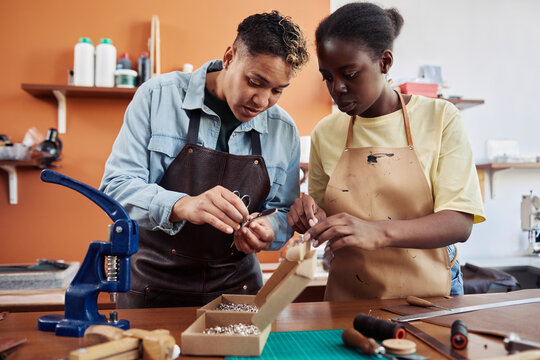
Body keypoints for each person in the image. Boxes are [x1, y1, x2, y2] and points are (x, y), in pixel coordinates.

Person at [100, 11, 309, 308]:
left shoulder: (283, 130)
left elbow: (283, 210)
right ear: (229, 56)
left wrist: (269, 230)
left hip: (238, 291)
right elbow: (116, 188)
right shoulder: (158, 97)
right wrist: (183, 205)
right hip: (151, 289)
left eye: (277, 91)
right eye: (254, 82)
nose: (262, 101)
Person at [287, 2, 485, 300]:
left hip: (428, 295)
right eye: (328, 77)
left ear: (385, 62)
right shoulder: (326, 132)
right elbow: (322, 214)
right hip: (349, 295)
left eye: (350, 74)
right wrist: (310, 215)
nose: (337, 87)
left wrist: (377, 232)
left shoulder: (440, 118)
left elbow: (459, 222)